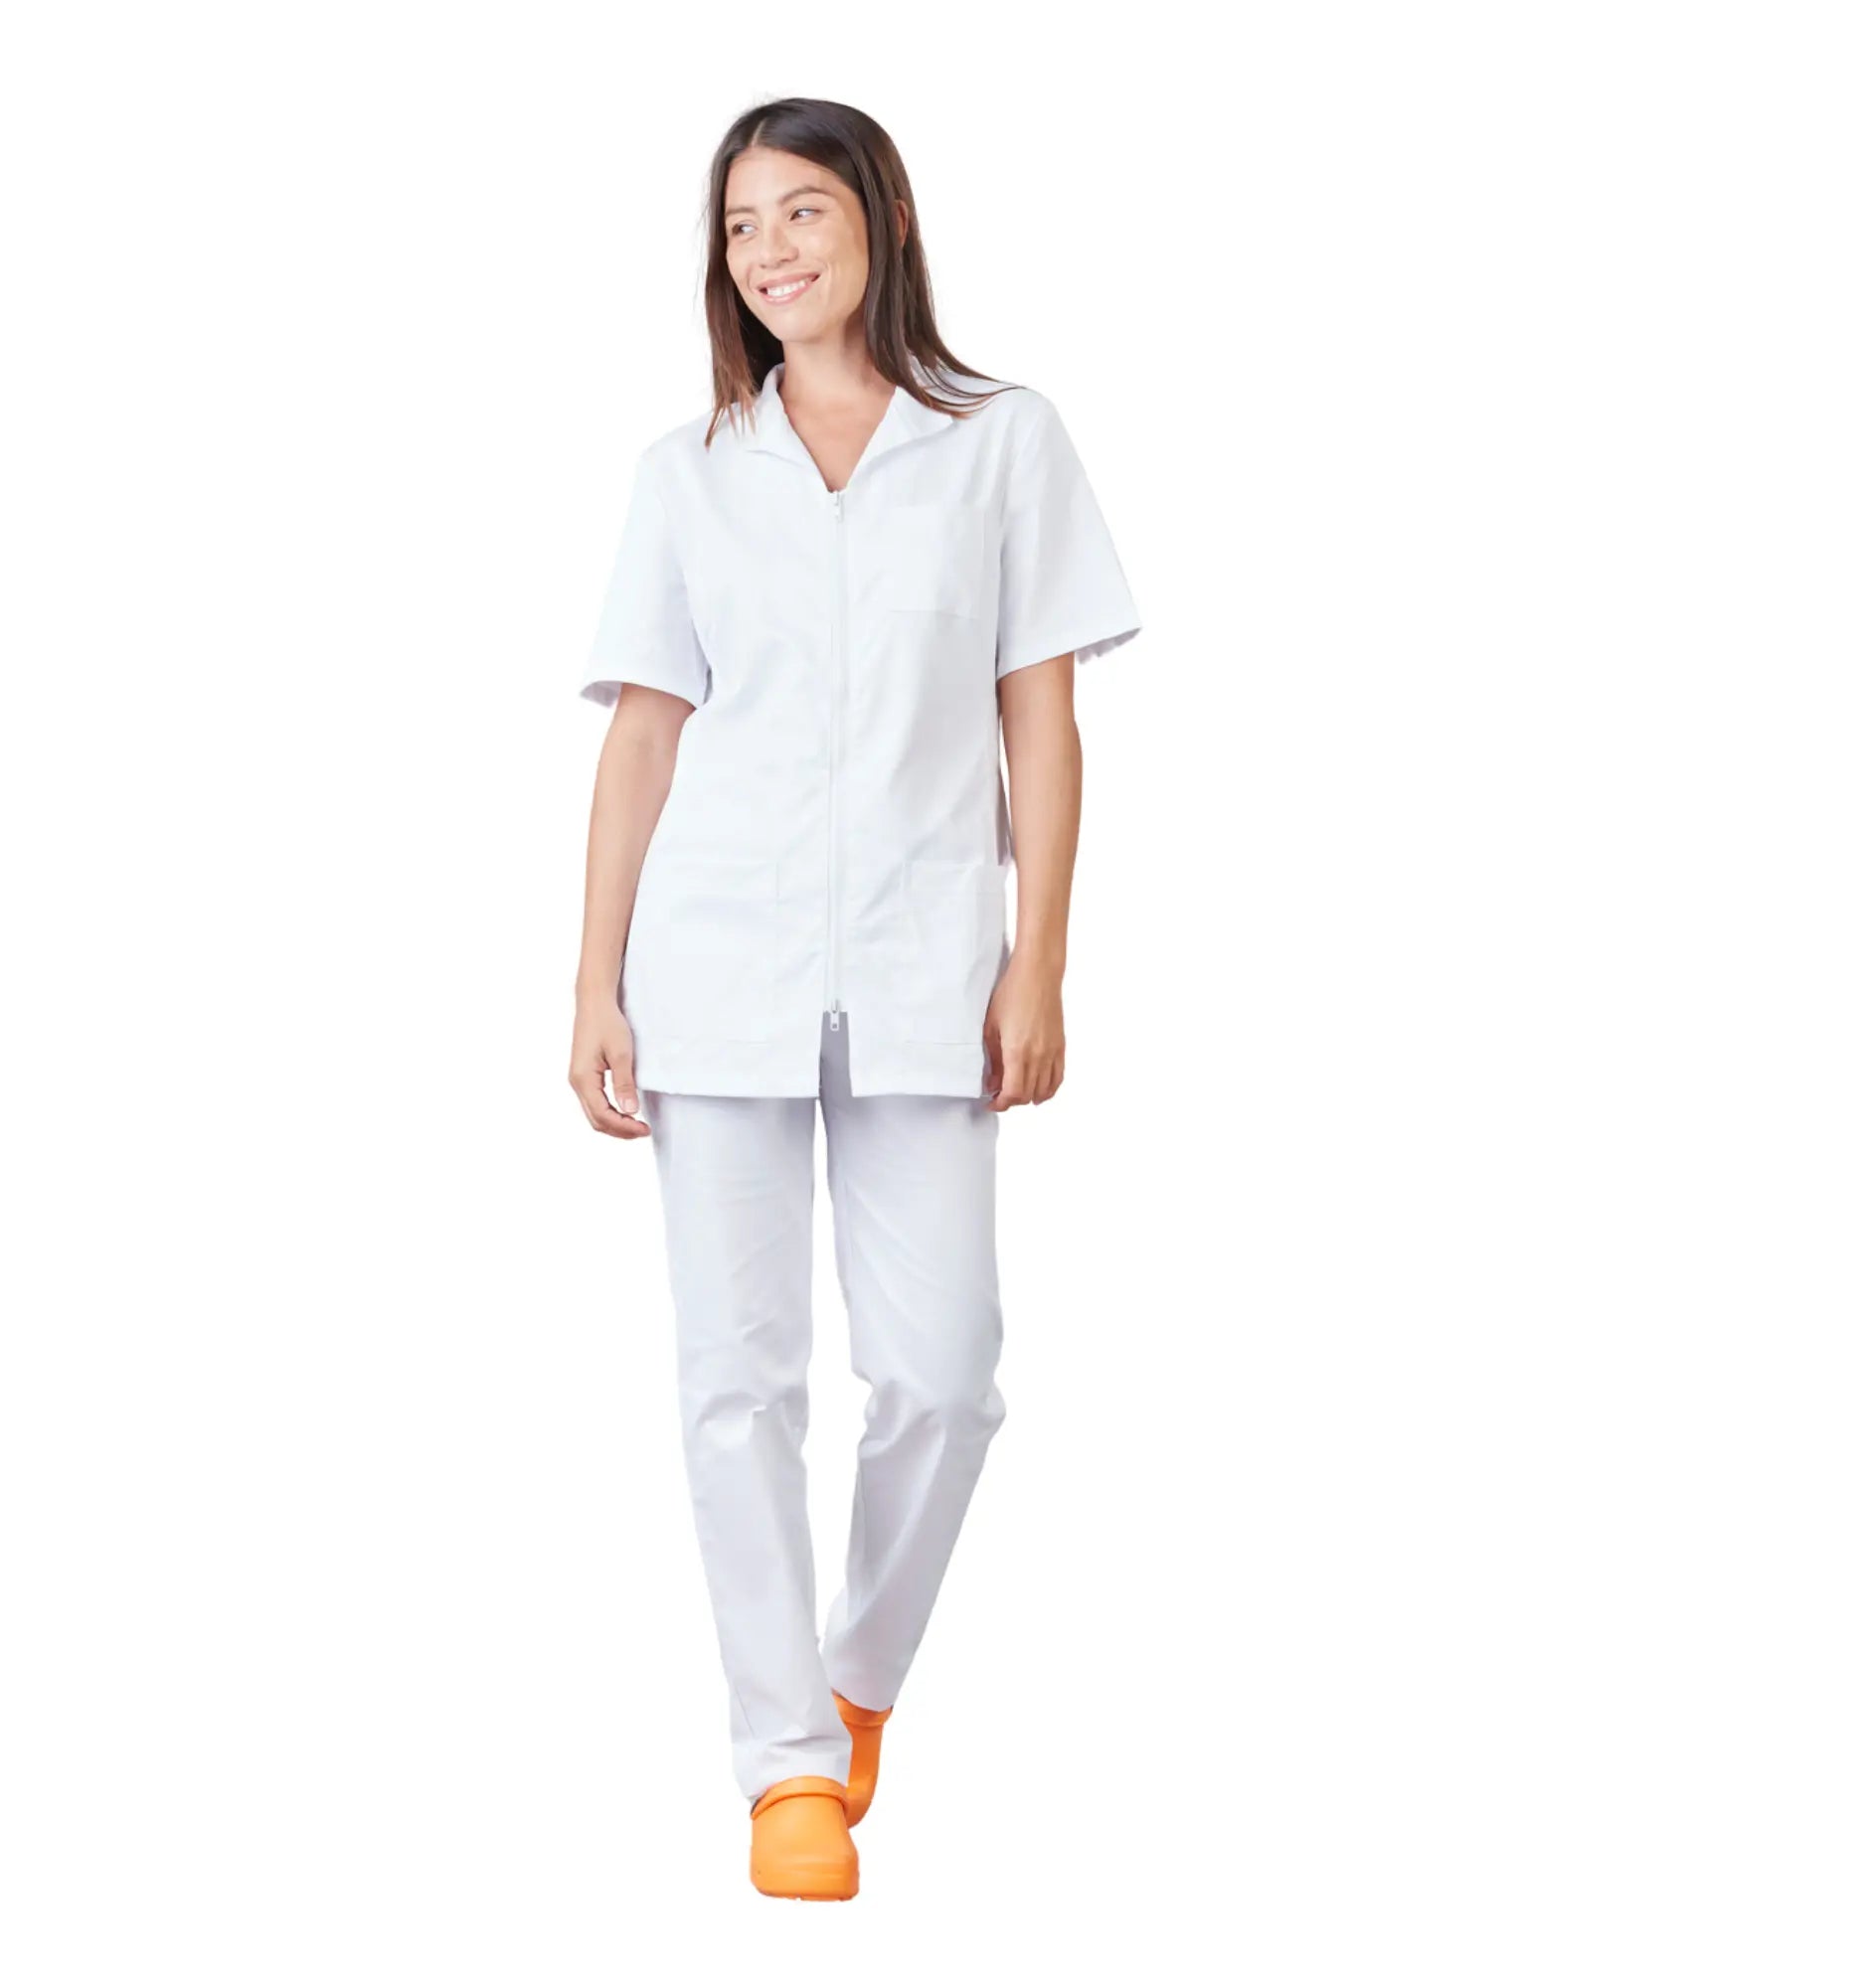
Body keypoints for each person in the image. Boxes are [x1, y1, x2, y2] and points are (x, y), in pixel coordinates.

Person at [569, 96, 1141, 1902]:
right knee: (736, 1383)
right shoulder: (689, 472)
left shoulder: (1000, 444)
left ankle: (856, 1679)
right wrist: (593, 981)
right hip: (715, 966)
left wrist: (1041, 953)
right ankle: (786, 1769)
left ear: (881, 218)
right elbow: (644, 733)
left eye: (802, 212)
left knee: (947, 1376)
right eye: (742, 227)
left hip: (924, 968)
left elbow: (1042, 720)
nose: (771, 253)